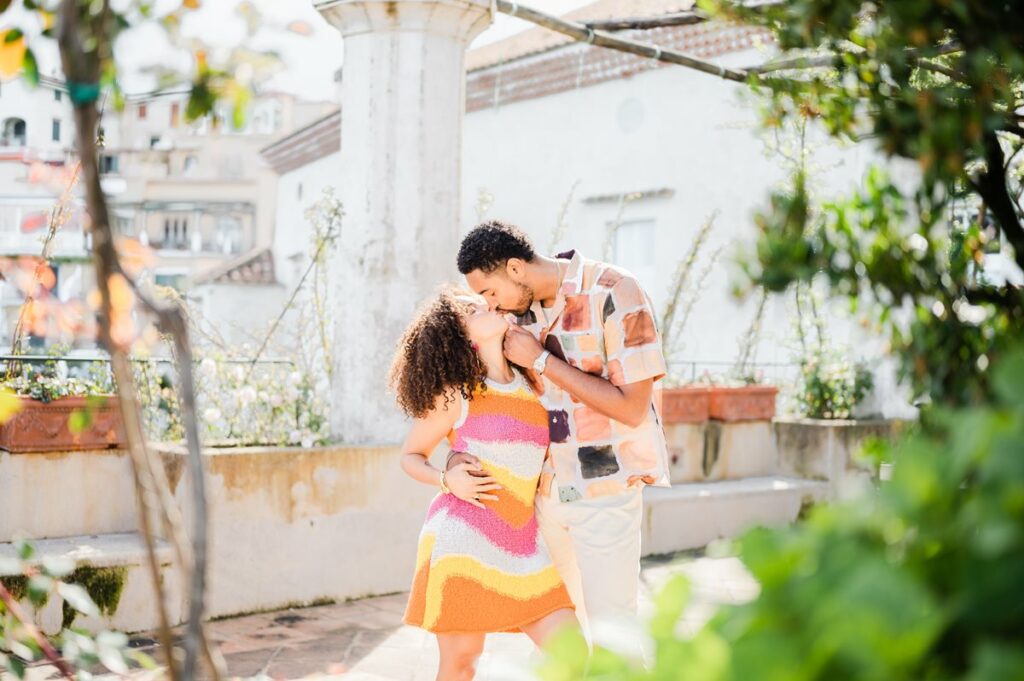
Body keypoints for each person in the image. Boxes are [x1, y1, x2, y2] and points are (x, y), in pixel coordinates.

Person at [451, 220, 671, 642]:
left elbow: (632, 407)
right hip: (542, 499)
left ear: (516, 268)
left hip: (605, 496)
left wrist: (542, 361)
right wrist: (453, 456)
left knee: (615, 637)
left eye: (491, 293)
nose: (492, 306)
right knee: (554, 646)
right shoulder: (516, 319)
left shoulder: (615, 291)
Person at [389, 287, 577, 681]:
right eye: (473, 308)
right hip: (463, 542)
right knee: (461, 665)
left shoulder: (532, 383)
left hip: (525, 543)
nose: (486, 303)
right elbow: (410, 456)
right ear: (462, 336)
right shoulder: (457, 395)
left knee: (572, 654)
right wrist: (446, 478)